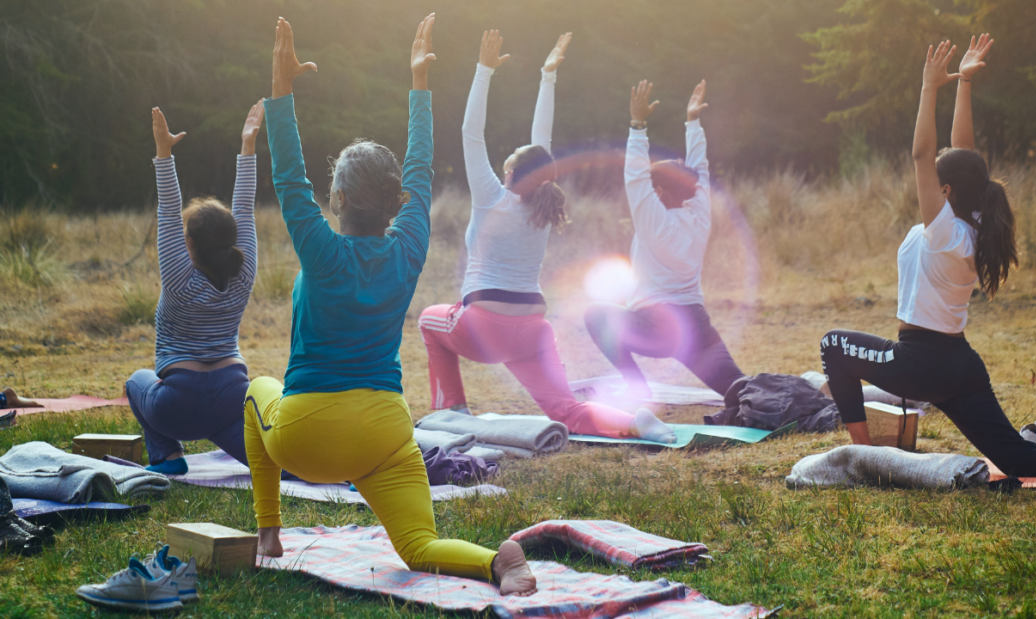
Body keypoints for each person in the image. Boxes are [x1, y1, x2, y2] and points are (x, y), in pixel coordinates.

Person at [243, 16, 537, 596]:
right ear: (396, 200)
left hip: (308, 437)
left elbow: (288, 176)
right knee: (417, 547)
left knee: (256, 387)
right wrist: (419, 88)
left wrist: (281, 92)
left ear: (341, 199)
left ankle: (268, 532)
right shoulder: (408, 250)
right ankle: (497, 561)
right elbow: (422, 173)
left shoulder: (321, 250)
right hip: (385, 431)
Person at [819, 35, 1036, 479]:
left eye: (936, 179)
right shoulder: (971, 221)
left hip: (920, 363)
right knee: (1019, 459)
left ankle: (868, 458)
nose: (929, 178)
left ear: (945, 190)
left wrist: (929, 87)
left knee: (832, 345)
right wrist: (964, 83)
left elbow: (921, 153)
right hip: (959, 366)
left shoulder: (946, 231)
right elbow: (962, 152)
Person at [418, 31, 675, 443]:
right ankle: (637, 421)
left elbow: (471, 132)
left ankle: (453, 411)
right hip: (533, 329)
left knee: (429, 320)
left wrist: (483, 70)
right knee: (565, 409)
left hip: (482, 327)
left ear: (508, 173)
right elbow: (543, 145)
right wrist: (547, 76)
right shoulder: (542, 205)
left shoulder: (492, 198)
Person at [584, 80, 746, 404]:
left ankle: (636, 386)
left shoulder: (653, 222)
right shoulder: (699, 215)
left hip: (654, 328)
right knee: (742, 390)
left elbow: (634, 177)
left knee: (596, 315)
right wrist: (693, 123)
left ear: (658, 192)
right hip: (695, 328)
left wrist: (637, 125)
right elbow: (700, 168)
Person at [124, 100, 263, 475]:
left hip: (178, 406)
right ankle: (331, 467)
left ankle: (168, 457)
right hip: (233, 399)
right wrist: (248, 147)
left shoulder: (178, 279)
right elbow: (245, 208)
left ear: (187, 245)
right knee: (275, 463)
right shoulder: (244, 272)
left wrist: (164, 152)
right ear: (232, 241)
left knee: (136, 381)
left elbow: (168, 211)